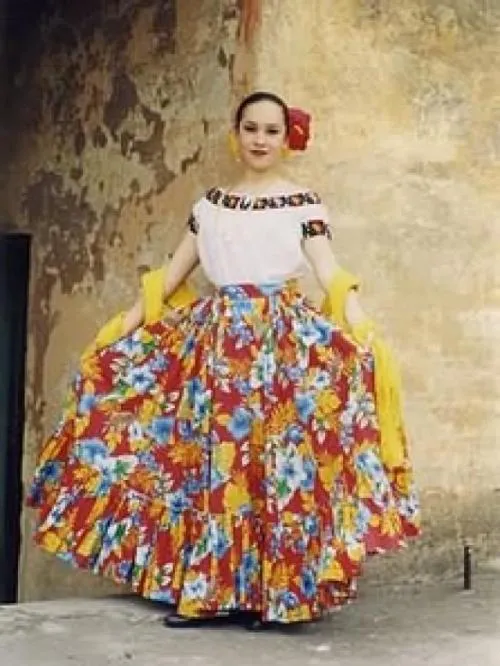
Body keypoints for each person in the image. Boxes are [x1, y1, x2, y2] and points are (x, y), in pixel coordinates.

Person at [27, 91, 420, 630]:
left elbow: (329, 272)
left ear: (287, 139)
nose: (261, 139)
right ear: (236, 134)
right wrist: (119, 330)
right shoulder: (208, 207)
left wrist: (361, 325)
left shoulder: (303, 205)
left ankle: (276, 599)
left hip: (281, 347)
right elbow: (168, 280)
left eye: (272, 131)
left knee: (273, 471)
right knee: (216, 467)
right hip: (216, 349)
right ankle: (211, 592)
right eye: (252, 128)